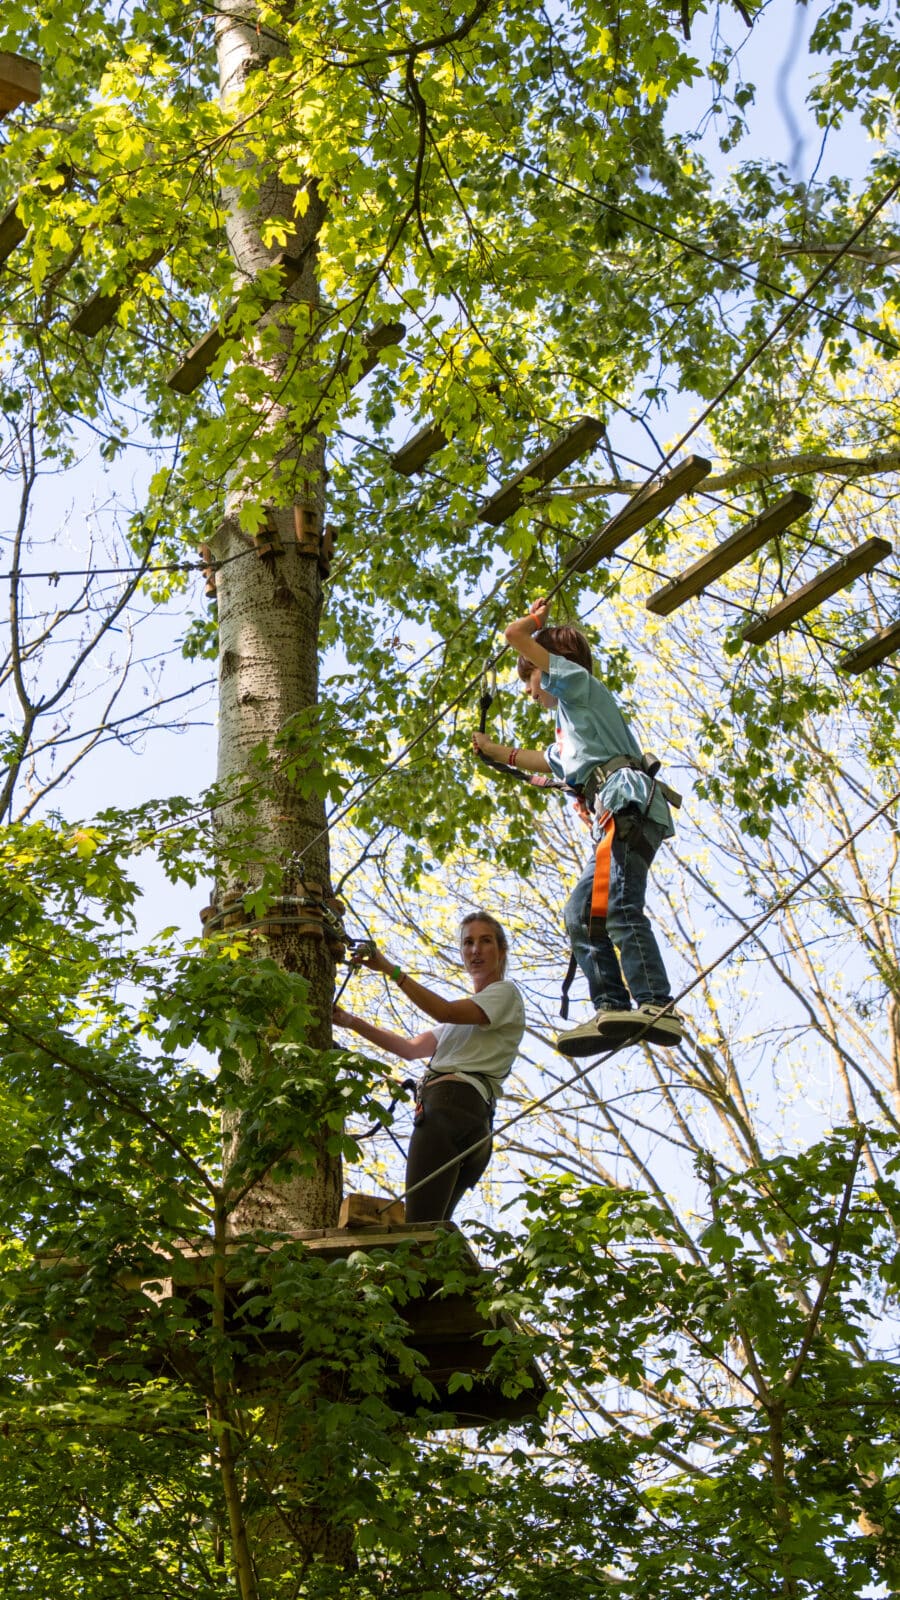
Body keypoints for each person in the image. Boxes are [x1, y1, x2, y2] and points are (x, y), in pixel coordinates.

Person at [472, 599, 683, 1056]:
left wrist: (533, 624)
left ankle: (656, 1003)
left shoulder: (579, 687)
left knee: (620, 908)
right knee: (581, 916)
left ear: (548, 668)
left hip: (628, 809)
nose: (529, 691)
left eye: (529, 678)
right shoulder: (572, 734)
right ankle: (612, 1005)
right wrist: (491, 750)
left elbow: (514, 635)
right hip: (617, 821)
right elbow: (539, 760)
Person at [332, 912, 525, 1222]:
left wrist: (390, 970)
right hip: (471, 1122)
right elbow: (409, 1049)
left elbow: (443, 1010)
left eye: (485, 941)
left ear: (501, 951)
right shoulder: (465, 1021)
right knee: (432, 1228)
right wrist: (350, 1021)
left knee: (417, 1230)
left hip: (451, 1109)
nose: (475, 950)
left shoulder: (503, 994)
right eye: (468, 943)